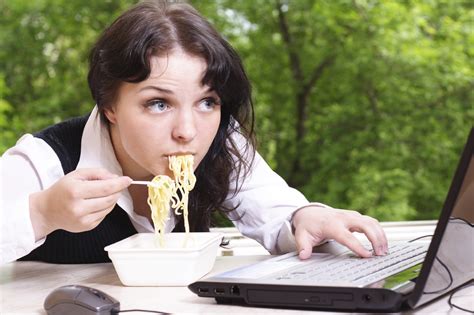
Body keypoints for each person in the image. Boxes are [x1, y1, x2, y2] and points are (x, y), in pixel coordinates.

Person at [0, 0, 387, 265]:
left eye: (207, 102)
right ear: (109, 106)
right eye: (159, 104)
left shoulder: (220, 142)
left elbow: (275, 210)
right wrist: (42, 213)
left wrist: (307, 216)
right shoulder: (44, 160)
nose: (187, 132)